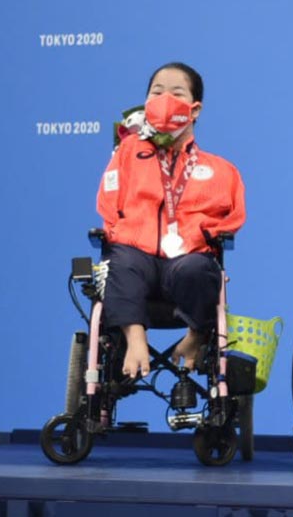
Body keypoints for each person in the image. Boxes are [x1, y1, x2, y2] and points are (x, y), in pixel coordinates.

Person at [96, 62, 246, 379]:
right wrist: (118, 232)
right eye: (156, 92)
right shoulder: (127, 153)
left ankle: (195, 338)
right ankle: (135, 340)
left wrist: (202, 239)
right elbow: (108, 202)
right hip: (136, 255)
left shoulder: (221, 170)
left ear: (194, 110)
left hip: (186, 260)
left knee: (199, 268)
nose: (164, 98)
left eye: (176, 93)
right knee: (119, 260)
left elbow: (234, 217)